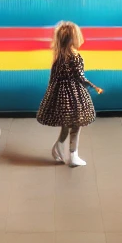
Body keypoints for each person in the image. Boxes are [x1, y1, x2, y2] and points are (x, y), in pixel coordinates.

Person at [36, 21, 103, 167]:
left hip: (61, 94)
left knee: (67, 124)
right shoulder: (75, 56)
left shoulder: (59, 57)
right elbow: (80, 77)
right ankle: (73, 154)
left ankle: (59, 148)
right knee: (76, 125)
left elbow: (53, 77)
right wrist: (94, 86)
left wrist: (51, 94)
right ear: (74, 38)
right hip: (74, 94)